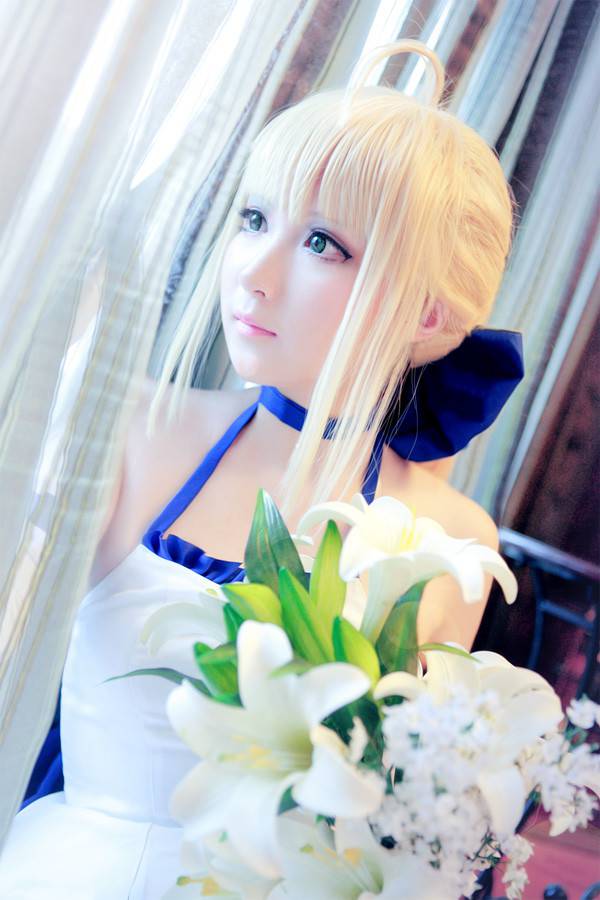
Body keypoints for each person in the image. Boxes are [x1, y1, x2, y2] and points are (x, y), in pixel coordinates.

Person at [0, 39, 523, 899]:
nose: (255, 271)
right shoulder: (135, 427)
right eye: (253, 218)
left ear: (429, 315)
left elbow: (404, 822)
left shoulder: (454, 541)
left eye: (322, 242)